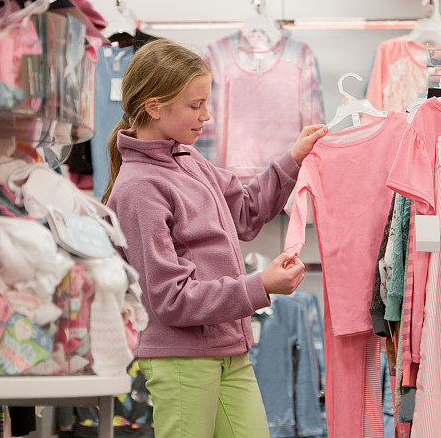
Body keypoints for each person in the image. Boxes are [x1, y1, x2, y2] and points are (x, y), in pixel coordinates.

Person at [103, 39, 328, 437]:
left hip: (228, 349)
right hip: (183, 360)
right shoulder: (139, 187)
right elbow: (169, 299)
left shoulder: (189, 160)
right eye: (195, 105)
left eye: (206, 103)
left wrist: (292, 159)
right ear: (154, 106)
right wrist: (260, 286)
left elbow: (244, 213)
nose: (206, 116)